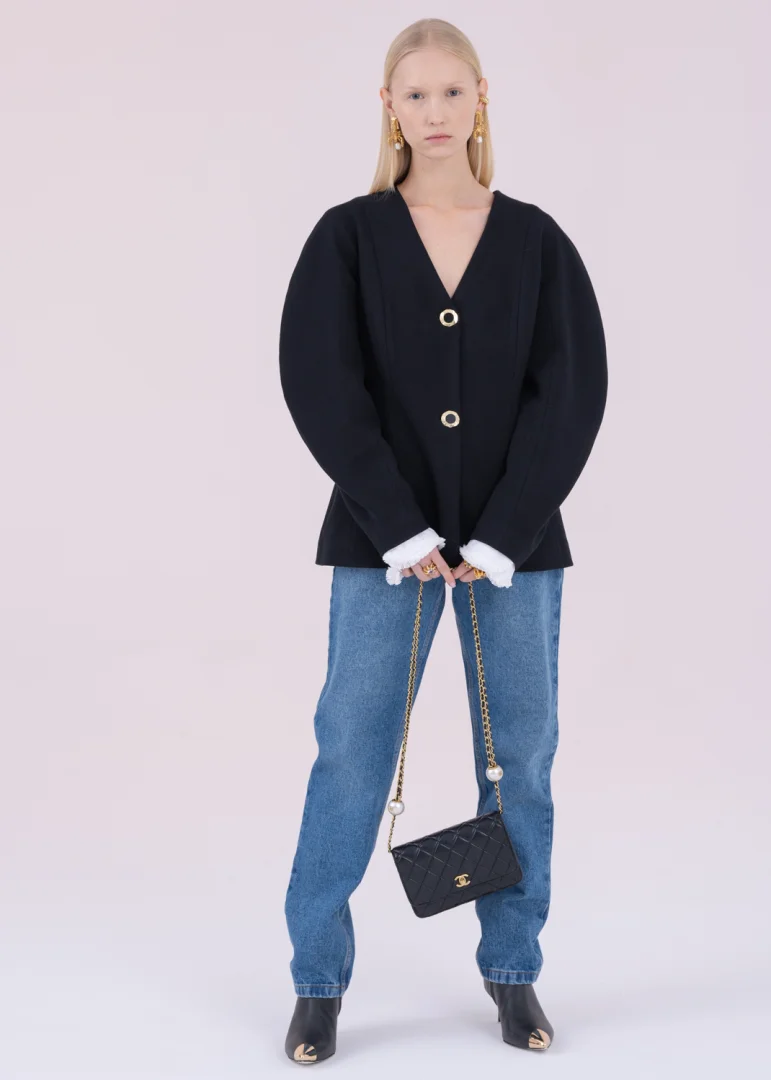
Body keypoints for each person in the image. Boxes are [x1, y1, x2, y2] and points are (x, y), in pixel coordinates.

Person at [277, 17, 608, 1065]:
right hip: (383, 549)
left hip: (516, 554)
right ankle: (318, 982)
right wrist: (399, 524)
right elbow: (320, 384)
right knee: (351, 754)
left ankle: (512, 971)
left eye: (451, 92)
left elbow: (571, 392)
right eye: (414, 95)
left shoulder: (536, 239)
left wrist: (504, 533)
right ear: (388, 107)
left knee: (521, 762)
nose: (434, 113)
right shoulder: (348, 236)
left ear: (480, 100)